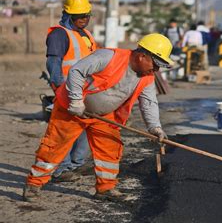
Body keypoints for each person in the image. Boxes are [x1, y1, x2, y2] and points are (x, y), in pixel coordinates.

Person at [23, 33, 172, 202]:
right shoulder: (109, 57)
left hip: (103, 115)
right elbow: (77, 71)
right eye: (156, 64)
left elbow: (149, 102)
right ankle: (34, 185)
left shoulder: (147, 78)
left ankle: (106, 188)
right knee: (55, 147)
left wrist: (155, 127)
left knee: (109, 148)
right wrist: (77, 101)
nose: (156, 70)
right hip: (71, 109)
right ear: (142, 56)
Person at [46, 0, 96, 182]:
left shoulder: (86, 34)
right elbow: (53, 62)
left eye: (86, 15)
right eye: (79, 16)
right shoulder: (60, 34)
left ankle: (76, 164)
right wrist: (59, 88)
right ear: (68, 15)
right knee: (65, 130)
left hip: (87, 90)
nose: (83, 19)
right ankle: (61, 169)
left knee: (84, 126)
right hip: (67, 89)